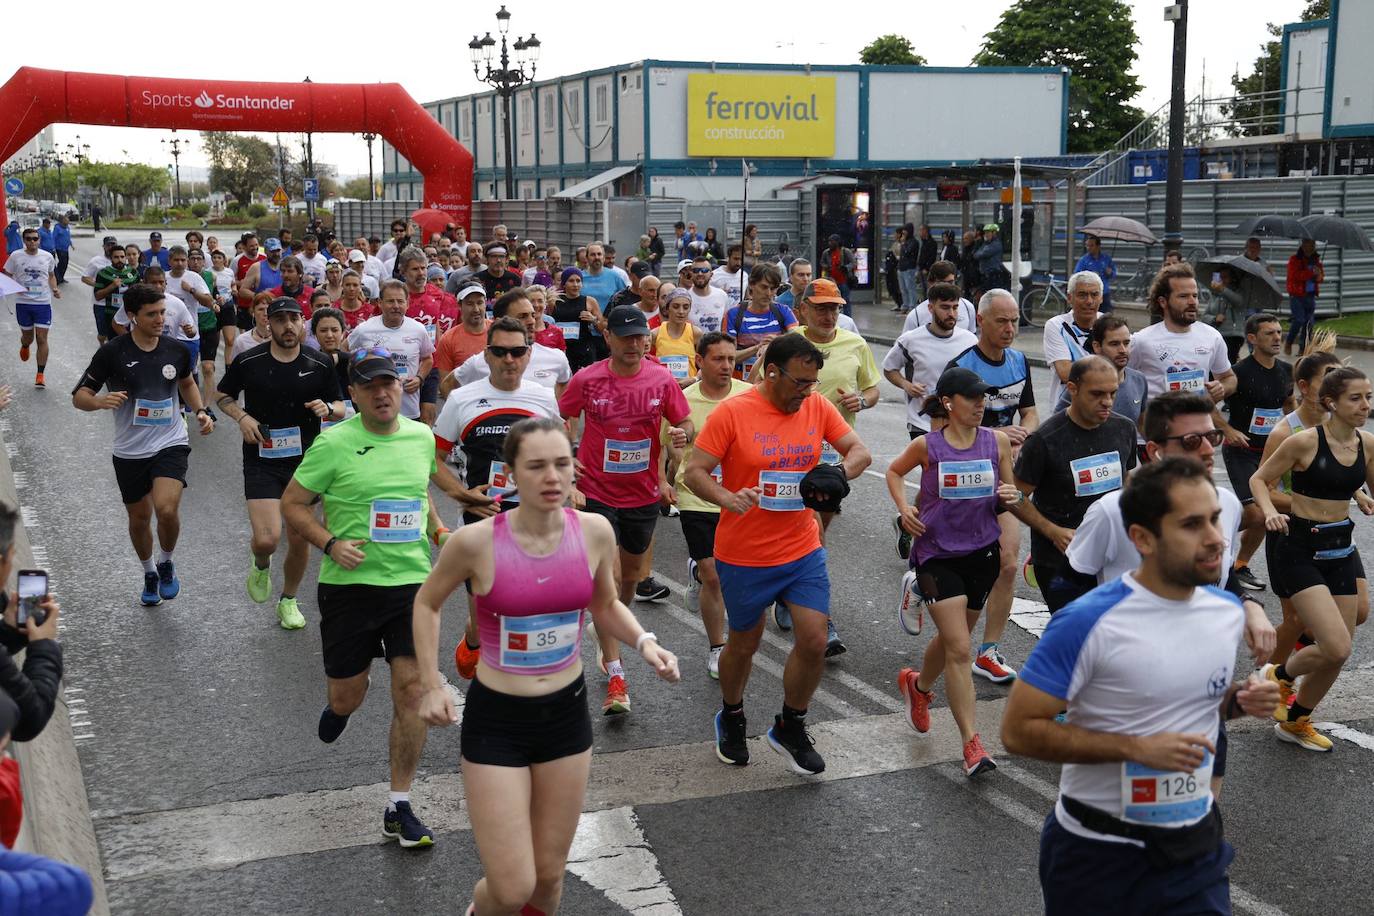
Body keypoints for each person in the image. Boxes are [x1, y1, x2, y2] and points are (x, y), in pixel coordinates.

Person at [414, 417, 680, 916]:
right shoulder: (475, 543)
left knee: (549, 880)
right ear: (512, 473)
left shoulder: (595, 531)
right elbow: (427, 604)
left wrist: (644, 641)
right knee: (512, 887)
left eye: (562, 464)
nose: (552, 476)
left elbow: (604, 604)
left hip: (565, 717)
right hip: (498, 723)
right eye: (536, 466)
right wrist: (430, 683)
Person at [1003, 457, 1281, 915]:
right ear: (1143, 539)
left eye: (1214, 519)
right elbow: (1017, 731)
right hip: (1099, 854)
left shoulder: (1224, 611)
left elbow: (1190, 702)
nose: (1217, 538)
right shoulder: (1087, 621)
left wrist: (1237, 701)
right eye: (1192, 525)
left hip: (1194, 848)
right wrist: (1135, 748)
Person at [280, 350, 469, 851]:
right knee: (350, 693)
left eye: (389, 384)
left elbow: (417, 490)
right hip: (349, 588)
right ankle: (340, 709)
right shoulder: (333, 444)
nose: (383, 393)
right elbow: (292, 504)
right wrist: (328, 543)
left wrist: (438, 526)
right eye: (371, 386)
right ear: (355, 394)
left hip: (410, 585)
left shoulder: (420, 436)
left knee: (411, 691)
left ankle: (399, 804)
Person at [685, 332, 871, 775]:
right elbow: (694, 472)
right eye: (801, 382)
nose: (808, 391)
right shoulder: (734, 412)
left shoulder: (817, 406)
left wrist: (837, 473)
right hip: (745, 554)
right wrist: (727, 498)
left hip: (801, 547)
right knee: (744, 645)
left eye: (813, 382)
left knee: (813, 638)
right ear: (772, 372)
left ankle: (791, 723)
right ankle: (731, 714)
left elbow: (859, 451)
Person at [888, 368, 1038, 777]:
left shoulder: (998, 442)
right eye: (972, 398)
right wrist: (904, 511)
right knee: (959, 649)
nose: (980, 405)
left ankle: (917, 687)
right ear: (949, 402)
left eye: (983, 398)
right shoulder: (927, 446)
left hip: (981, 552)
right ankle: (972, 744)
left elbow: (1011, 496)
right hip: (936, 555)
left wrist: (1013, 496)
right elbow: (893, 472)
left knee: (954, 639)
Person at [558, 306, 692, 715]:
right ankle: (617, 677)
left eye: (640, 337)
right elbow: (563, 416)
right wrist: (569, 459)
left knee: (630, 581)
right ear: (609, 338)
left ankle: (610, 622)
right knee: (608, 580)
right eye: (626, 337)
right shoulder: (588, 377)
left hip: (642, 493)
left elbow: (683, 425)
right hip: (597, 492)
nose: (635, 344)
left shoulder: (662, 379)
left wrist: (678, 447)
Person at [1251, 366, 1374, 752]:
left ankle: (1295, 720)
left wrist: (1361, 495)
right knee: (1337, 647)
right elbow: (1259, 480)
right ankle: (1278, 673)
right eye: (1355, 398)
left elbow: (1359, 480)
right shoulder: (1302, 442)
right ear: (1331, 402)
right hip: (1301, 548)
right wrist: (1270, 510)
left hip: (1341, 548)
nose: (1365, 405)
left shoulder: (1367, 443)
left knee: (1336, 656)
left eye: (1368, 397)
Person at [433, 317, 562, 678]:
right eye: (501, 352)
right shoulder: (461, 399)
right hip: (482, 521)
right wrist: (462, 495)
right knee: (486, 613)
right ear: (487, 355)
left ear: (528, 354)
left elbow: (559, 452)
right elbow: (432, 460)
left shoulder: (542, 397)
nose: (510, 359)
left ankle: (508, 686)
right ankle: (473, 639)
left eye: (517, 352)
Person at [72, 283, 214, 606]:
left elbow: (187, 383)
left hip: (170, 441)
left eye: (163, 312)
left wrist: (201, 411)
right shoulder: (113, 353)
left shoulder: (176, 350)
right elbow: (79, 397)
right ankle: (149, 571)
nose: (161, 319)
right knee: (138, 518)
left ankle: (166, 561)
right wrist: (100, 401)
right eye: (152, 314)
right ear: (133, 315)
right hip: (130, 449)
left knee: (166, 508)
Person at [214, 297, 343, 631]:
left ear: (303, 323)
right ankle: (260, 563)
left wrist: (328, 410)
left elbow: (341, 405)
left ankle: (288, 599)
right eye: (280, 320)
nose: (288, 326)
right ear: (268, 324)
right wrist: (242, 417)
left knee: (299, 540)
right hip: (263, 459)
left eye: (294, 319)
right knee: (268, 539)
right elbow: (222, 396)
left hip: (306, 463)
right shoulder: (249, 360)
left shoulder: (319, 362)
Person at [946, 289, 1038, 683]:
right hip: (966, 476)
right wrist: (997, 433)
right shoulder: (961, 366)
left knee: (1007, 562)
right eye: (1002, 320)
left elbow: (1031, 412)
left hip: (1004, 476)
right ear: (981, 322)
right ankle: (922, 583)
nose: (1010, 328)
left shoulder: (1019, 361)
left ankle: (988, 651)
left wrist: (1021, 433)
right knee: (960, 564)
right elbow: (943, 428)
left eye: (1015, 320)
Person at [1014, 357, 1139, 611]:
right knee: (1076, 639)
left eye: (1112, 393)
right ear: (1072, 388)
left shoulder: (1124, 428)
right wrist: (1052, 531)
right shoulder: (1044, 439)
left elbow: (1126, 482)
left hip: (1110, 553)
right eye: (1097, 394)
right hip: (1060, 558)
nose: (1107, 401)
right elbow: (1016, 496)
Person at [672, 332, 751, 679]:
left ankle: (698, 574)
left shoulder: (749, 396)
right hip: (697, 496)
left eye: (731, 360)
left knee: (736, 575)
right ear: (699, 361)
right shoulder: (682, 401)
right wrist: (663, 482)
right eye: (718, 359)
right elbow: (667, 447)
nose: (726, 366)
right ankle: (718, 646)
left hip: (740, 498)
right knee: (714, 576)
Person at [1215, 312, 1293, 593]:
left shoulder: (1286, 370)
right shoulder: (1238, 372)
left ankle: (1239, 565)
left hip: (1273, 454)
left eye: (1278, 332)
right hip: (1243, 451)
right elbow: (1206, 401)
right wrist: (1227, 430)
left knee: (1273, 511)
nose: (1276, 337)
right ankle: (1205, 540)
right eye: (1269, 333)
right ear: (1252, 339)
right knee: (1259, 514)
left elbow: (1289, 406)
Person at [1128, 263, 1236, 407]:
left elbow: (1229, 377)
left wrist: (1222, 388)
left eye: (1195, 295)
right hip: (1158, 427)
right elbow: (1120, 380)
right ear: (1163, 302)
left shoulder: (1212, 336)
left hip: (1197, 425)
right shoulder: (1141, 340)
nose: (1192, 302)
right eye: (1184, 296)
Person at [883, 281, 979, 441]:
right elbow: (889, 368)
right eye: (945, 307)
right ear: (930, 308)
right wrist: (907, 385)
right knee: (931, 466)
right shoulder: (910, 340)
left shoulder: (970, 341)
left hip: (960, 422)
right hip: (922, 423)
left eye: (955, 307)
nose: (951, 313)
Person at [449, 289, 571, 396]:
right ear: (499, 322)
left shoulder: (556, 358)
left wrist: (557, 414)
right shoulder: (479, 363)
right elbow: (448, 385)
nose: (531, 321)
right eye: (522, 317)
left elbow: (564, 384)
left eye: (532, 315)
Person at [348, 280, 435, 422]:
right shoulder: (364, 329)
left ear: (407, 303)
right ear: (380, 303)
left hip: (409, 408)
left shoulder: (418, 329)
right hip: (375, 405)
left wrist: (419, 378)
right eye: (390, 301)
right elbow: (346, 350)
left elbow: (428, 358)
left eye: (400, 301)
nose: (396, 306)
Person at [1052, 315, 1150, 426]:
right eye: (1114, 344)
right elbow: (1056, 425)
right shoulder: (1083, 382)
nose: (1123, 350)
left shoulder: (1139, 380)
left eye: (1126, 343)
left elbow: (1143, 425)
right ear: (1097, 346)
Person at [2, 226, 58, 388]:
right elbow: (7, 274)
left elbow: (52, 276)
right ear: (24, 240)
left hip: (43, 303)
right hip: (23, 303)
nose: (32, 241)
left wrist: (54, 289)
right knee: (28, 337)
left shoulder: (47, 256)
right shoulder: (16, 256)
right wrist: (8, 287)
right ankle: (25, 345)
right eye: (29, 239)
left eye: (35, 238)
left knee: (42, 338)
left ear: (39, 240)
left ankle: (40, 374)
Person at [1042, 271, 1104, 408]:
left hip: (1102, 409)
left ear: (1101, 298)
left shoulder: (1109, 324)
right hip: (1066, 411)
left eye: (1094, 295)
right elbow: (1066, 373)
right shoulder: (1056, 326)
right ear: (1070, 298)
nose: (1089, 301)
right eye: (1082, 295)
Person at [723, 264, 794, 378]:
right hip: (741, 382)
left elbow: (797, 343)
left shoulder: (784, 311)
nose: (769, 293)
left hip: (774, 381)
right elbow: (727, 356)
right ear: (751, 285)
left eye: (773, 288)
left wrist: (777, 343)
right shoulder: (734, 314)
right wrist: (758, 347)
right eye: (764, 287)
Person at [550, 268, 605, 373]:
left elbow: (602, 328)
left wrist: (593, 320)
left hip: (584, 349)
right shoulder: (554, 300)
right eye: (571, 281)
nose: (575, 284)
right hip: (561, 349)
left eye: (578, 281)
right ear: (564, 284)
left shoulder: (590, 301)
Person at [901, 261, 978, 335]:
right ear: (931, 283)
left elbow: (972, 339)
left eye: (950, 282)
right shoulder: (916, 316)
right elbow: (905, 344)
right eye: (941, 283)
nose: (946, 287)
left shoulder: (968, 307)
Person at [650, 288, 701, 385]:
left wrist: (695, 379)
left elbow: (705, 364)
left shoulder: (696, 333)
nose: (681, 311)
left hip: (689, 390)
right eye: (676, 306)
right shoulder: (655, 334)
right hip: (664, 388)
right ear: (667, 308)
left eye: (686, 307)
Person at [93, 244, 138, 347]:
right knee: (115, 343)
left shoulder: (133, 273)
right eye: (116, 257)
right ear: (111, 258)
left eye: (122, 257)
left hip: (130, 314)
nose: (120, 260)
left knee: (131, 343)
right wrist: (112, 286)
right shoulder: (104, 273)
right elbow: (98, 296)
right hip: (112, 314)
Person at [1285, 239, 1324, 355]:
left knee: (1309, 323)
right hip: (1297, 295)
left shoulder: (1316, 260)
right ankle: (1289, 342)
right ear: (1302, 246)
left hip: (1310, 295)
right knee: (1299, 320)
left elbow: (1320, 278)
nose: (1310, 247)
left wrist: (1318, 275)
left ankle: (1303, 348)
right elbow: (1295, 276)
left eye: (1312, 245)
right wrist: (1311, 273)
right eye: (1307, 244)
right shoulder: (1295, 260)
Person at [236, 237, 283, 331]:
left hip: (281, 312)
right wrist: (260, 296)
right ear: (266, 251)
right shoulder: (257, 267)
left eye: (278, 250)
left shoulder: (286, 266)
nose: (276, 254)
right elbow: (242, 291)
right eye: (272, 251)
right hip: (263, 314)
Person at [1205, 266, 1248, 364]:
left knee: (1227, 365)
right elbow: (1204, 316)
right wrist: (1214, 318)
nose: (1222, 280)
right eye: (1220, 277)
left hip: (1232, 335)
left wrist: (1223, 290)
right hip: (1216, 335)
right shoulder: (1215, 294)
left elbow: (1239, 302)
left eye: (1225, 277)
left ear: (1232, 278)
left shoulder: (1238, 292)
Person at [1074, 234, 1116, 313]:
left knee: (1106, 316)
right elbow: (1077, 275)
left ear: (1098, 246)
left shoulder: (1106, 259)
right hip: (1090, 294)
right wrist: (1089, 275)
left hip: (1104, 293)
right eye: (1087, 245)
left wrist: (1110, 272)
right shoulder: (1084, 260)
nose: (1088, 248)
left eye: (1091, 245)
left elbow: (1114, 274)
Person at [819, 235, 856, 315]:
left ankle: (848, 317)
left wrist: (846, 268)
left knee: (845, 300)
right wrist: (826, 267)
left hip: (844, 280)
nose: (830, 243)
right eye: (829, 241)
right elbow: (822, 262)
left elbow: (853, 263)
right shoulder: (826, 252)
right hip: (832, 281)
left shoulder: (845, 251)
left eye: (832, 241)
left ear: (837, 242)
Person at [974, 224, 1006, 296]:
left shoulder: (995, 244)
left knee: (991, 295)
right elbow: (976, 254)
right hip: (986, 275)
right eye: (985, 233)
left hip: (993, 275)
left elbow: (980, 254)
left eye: (988, 233)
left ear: (994, 233)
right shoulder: (987, 244)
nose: (986, 235)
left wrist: (979, 253)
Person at [896, 222, 920, 313]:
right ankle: (905, 304)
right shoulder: (905, 242)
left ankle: (912, 305)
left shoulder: (914, 242)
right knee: (903, 288)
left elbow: (908, 252)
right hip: (902, 267)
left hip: (909, 268)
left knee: (910, 288)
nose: (904, 233)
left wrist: (903, 243)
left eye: (905, 231)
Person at [52, 214, 71, 284]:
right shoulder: (57, 228)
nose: (68, 221)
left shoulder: (67, 227)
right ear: (63, 220)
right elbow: (53, 237)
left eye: (68, 220)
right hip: (59, 248)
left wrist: (71, 244)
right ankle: (57, 278)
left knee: (65, 263)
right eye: (66, 220)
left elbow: (68, 236)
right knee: (62, 263)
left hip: (66, 248)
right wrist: (53, 247)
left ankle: (61, 277)